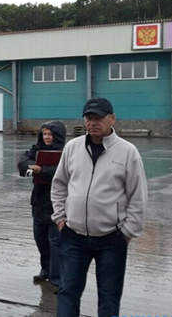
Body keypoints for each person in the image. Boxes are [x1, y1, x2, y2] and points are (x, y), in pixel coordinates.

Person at [51, 98, 148, 317]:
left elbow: (138, 197)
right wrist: (60, 220)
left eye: (99, 118)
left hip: (111, 238)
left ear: (112, 119)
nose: (93, 122)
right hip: (73, 236)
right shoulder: (73, 147)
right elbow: (59, 185)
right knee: (68, 292)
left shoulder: (127, 152)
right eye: (89, 118)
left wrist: (126, 233)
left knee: (109, 295)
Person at [17, 120, 66, 293]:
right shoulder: (36, 150)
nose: (46, 137)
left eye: (50, 134)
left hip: (57, 204)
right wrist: (30, 167)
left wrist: (41, 170)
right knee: (40, 240)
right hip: (39, 202)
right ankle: (45, 270)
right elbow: (22, 162)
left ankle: (57, 278)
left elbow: (63, 172)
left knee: (56, 242)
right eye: (44, 134)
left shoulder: (66, 152)